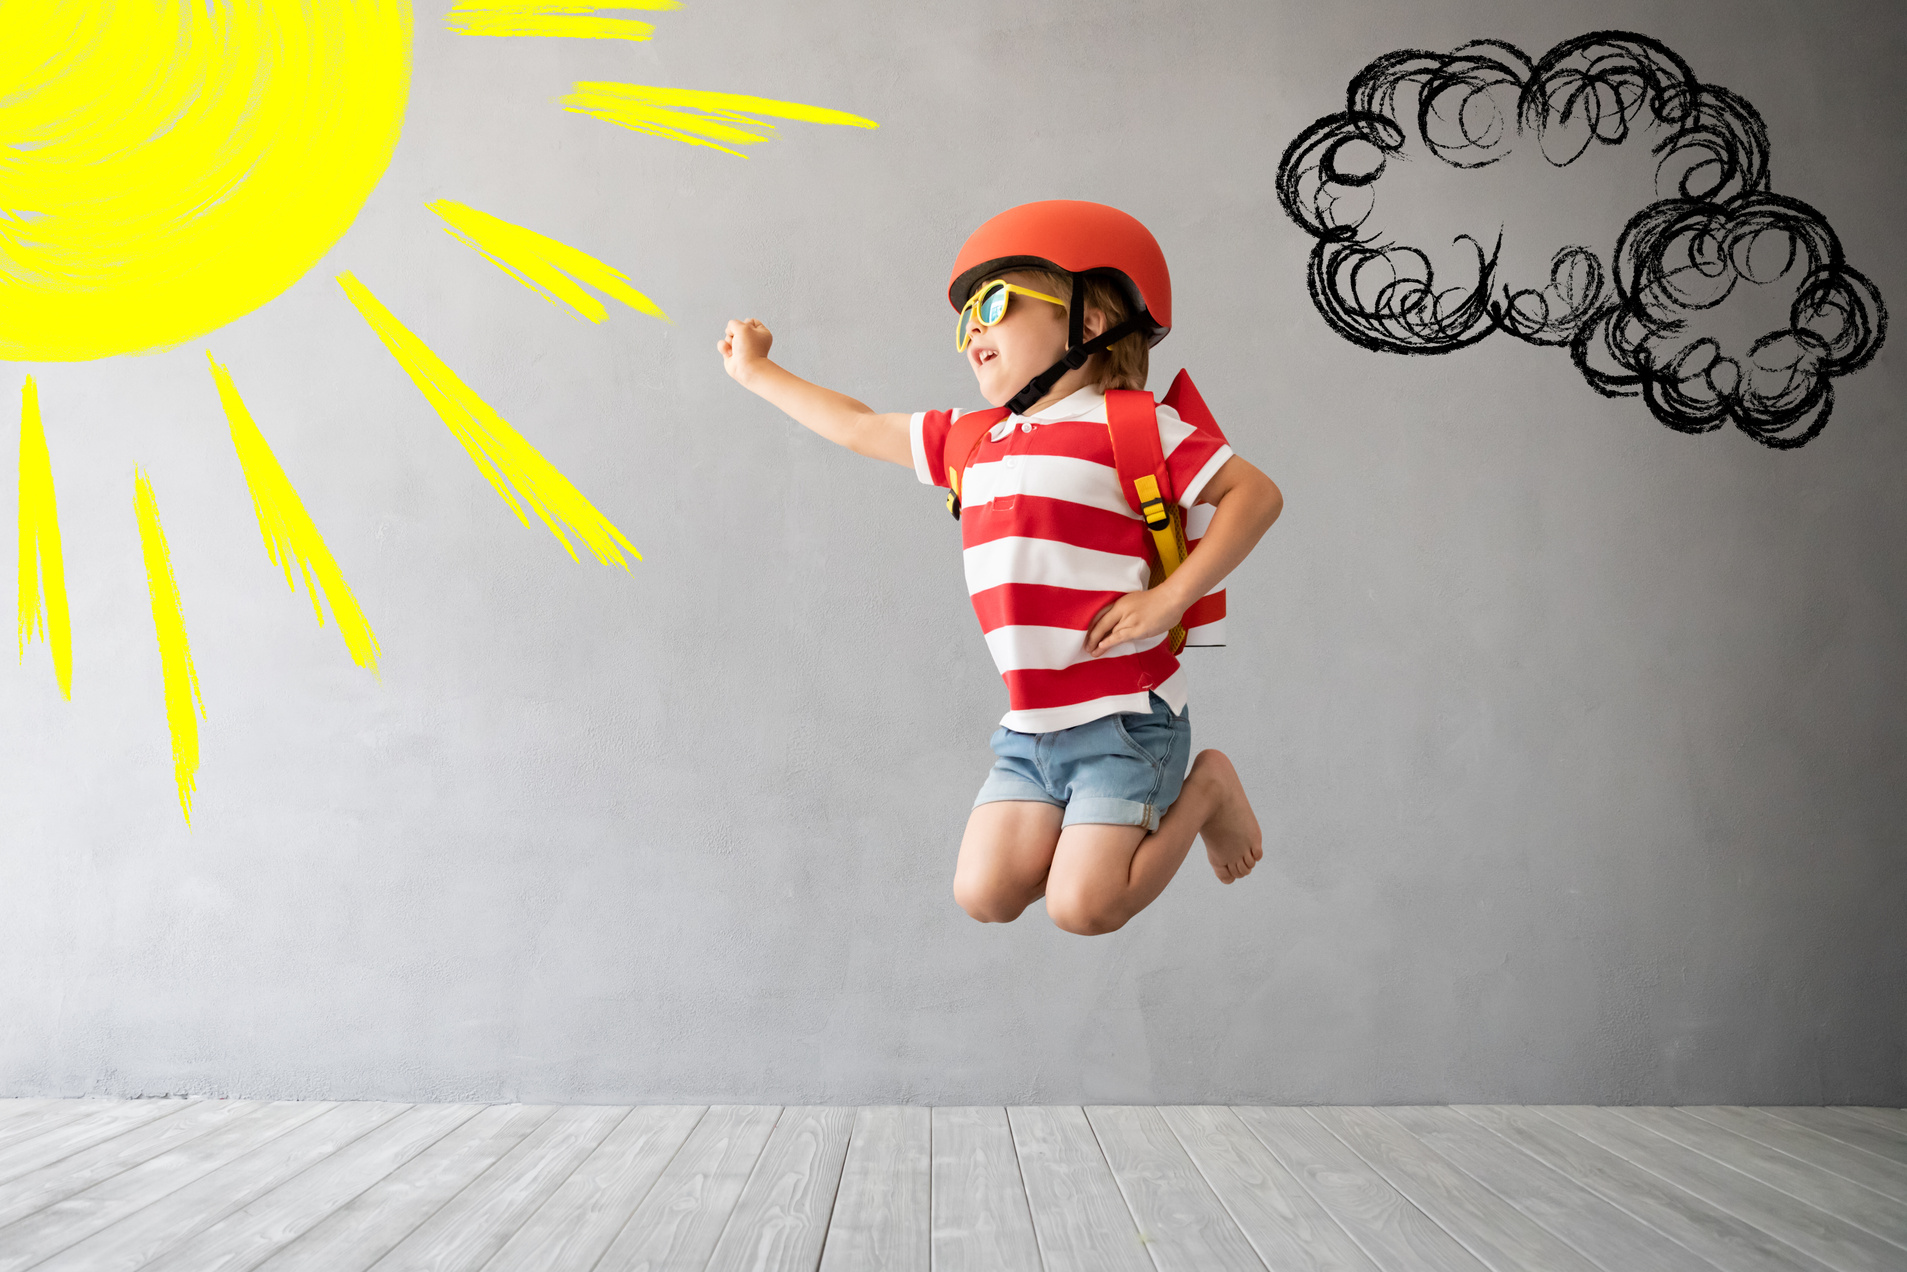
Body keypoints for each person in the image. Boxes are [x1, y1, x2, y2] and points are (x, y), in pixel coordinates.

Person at [717, 200, 1283, 935]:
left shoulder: (1130, 426)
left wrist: (1171, 599)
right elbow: (858, 426)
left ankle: (1206, 790)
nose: (972, 330)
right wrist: (758, 374)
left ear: (1086, 323)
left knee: (1088, 907)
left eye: (993, 303)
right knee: (985, 895)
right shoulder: (972, 440)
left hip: (1124, 718)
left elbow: (1255, 495)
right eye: (964, 321)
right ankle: (1091, 814)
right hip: (1030, 727)